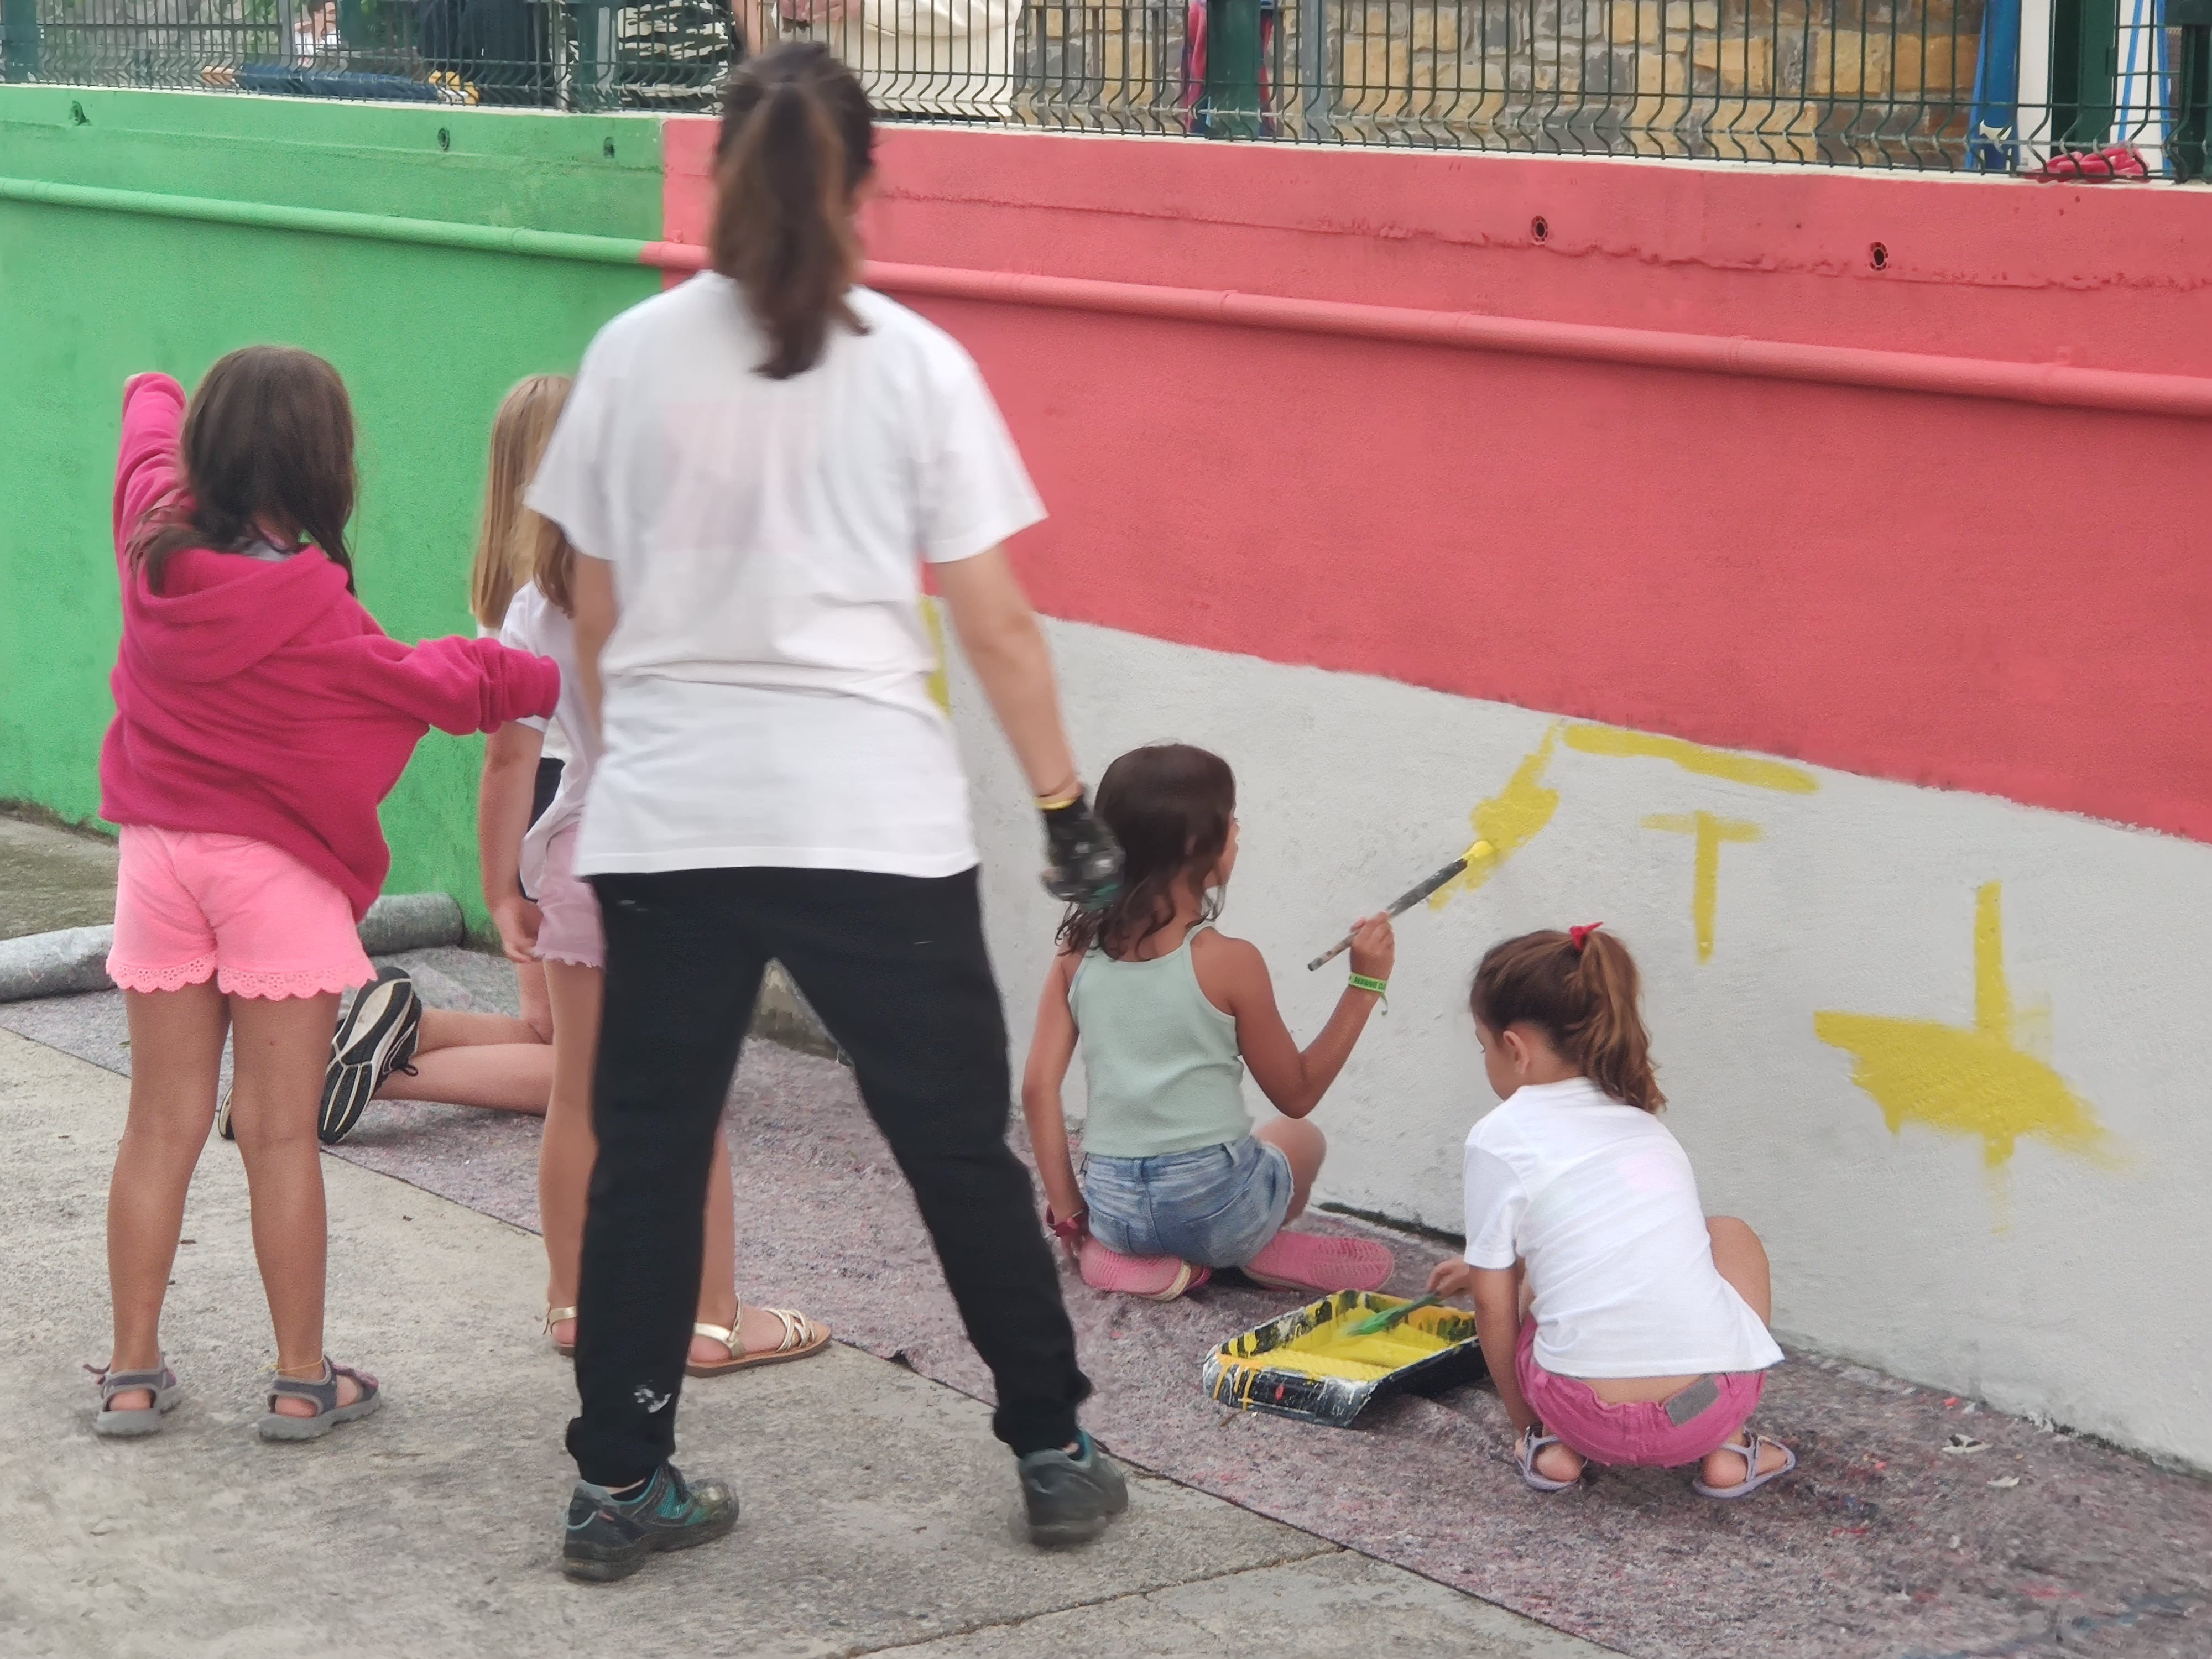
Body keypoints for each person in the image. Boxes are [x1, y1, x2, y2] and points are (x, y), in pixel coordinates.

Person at [524, 43, 1128, 1582]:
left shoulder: (630, 357)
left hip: (671, 824)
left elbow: (588, 609)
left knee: (647, 1153)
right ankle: (1053, 1452)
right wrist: (1065, 810)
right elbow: (997, 627)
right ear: (865, 180)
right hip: (877, 828)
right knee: (953, 1153)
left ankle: (618, 1487)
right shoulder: (916, 365)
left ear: (717, 178)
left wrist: (627, 753)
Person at [92, 350, 559, 1441]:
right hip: (277, 875)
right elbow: (435, 683)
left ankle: (129, 1373)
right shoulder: (312, 606)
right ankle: (303, 1380)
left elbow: (144, 437)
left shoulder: (148, 540)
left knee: (158, 1124)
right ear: (323, 465)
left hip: (158, 857)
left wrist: (153, 385)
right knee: (278, 1133)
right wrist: (552, 674)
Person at [478, 377, 831, 1378]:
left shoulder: (532, 606)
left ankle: (574, 1304)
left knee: (581, 1100)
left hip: (584, 861)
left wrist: (504, 885)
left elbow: (509, 761)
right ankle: (714, 1320)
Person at [1425, 925, 1795, 1498]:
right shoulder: (1641, 1125)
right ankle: (1731, 1447)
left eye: (1483, 1046)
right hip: (1700, 1411)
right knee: (1728, 1234)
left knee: (1533, 1293)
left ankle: (1555, 1451)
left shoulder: (1497, 1138)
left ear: (1514, 1048)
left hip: (1579, 1415)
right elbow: (1615, 1240)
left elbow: (1496, 1307)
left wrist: (1528, 1430)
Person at [1020, 744, 1398, 1301]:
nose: (1238, 830)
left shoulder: (1075, 955)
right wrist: (1365, 986)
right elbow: (1296, 1093)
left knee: (1133, 1213)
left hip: (1115, 1211)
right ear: (1198, 844)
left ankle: (1109, 1254)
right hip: (1215, 1211)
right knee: (1299, 1139)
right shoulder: (1231, 961)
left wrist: (1072, 1215)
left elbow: (1036, 1089)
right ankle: (1247, 1248)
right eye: (1231, 818)